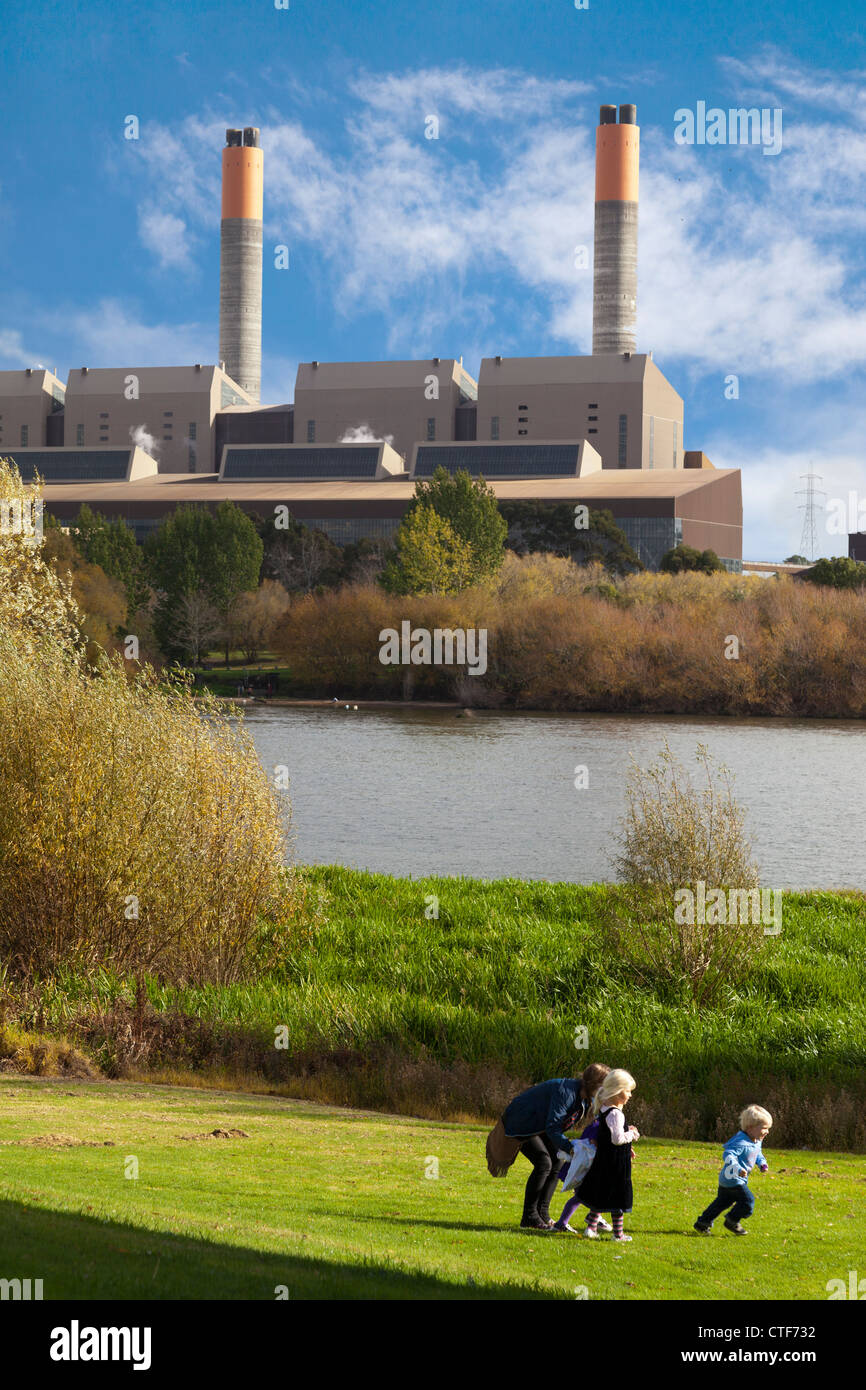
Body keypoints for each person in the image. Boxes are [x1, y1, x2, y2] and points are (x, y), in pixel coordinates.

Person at [494, 1064, 610, 1232]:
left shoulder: (584, 1096)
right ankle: (529, 1217)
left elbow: (603, 1117)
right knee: (543, 1163)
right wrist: (570, 1148)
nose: (605, 1092)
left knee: (557, 1161)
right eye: (604, 1087)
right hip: (521, 1122)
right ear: (595, 1085)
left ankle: (543, 1213)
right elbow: (553, 1128)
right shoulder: (567, 1093)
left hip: (538, 1125)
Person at [573, 1068, 640, 1241]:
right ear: (617, 1092)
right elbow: (617, 1139)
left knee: (602, 1195)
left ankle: (591, 1228)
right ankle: (618, 1235)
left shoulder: (605, 1109)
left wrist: (627, 1148)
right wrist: (631, 1134)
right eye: (628, 1091)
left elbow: (608, 1138)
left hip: (605, 1161)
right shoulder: (616, 1114)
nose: (630, 1095)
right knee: (617, 1197)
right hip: (615, 1166)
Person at [693, 1105, 772, 1236]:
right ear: (750, 1128)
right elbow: (728, 1155)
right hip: (733, 1179)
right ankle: (732, 1220)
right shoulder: (740, 1142)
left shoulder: (757, 1140)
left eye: (768, 1128)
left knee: (721, 1203)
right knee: (748, 1202)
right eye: (764, 1128)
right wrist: (737, 1168)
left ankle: (702, 1223)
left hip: (729, 1180)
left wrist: (762, 1163)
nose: (767, 1132)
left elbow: (758, 1153)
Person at [551, 1117, 611, 1234]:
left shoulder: (597, 1123)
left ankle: (593, 1217)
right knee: (581, 1197)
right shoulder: (600, 1125)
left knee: (587, 1196)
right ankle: (562, 1224)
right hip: (583, 1168)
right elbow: (594, 1142)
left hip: (582, 1167)